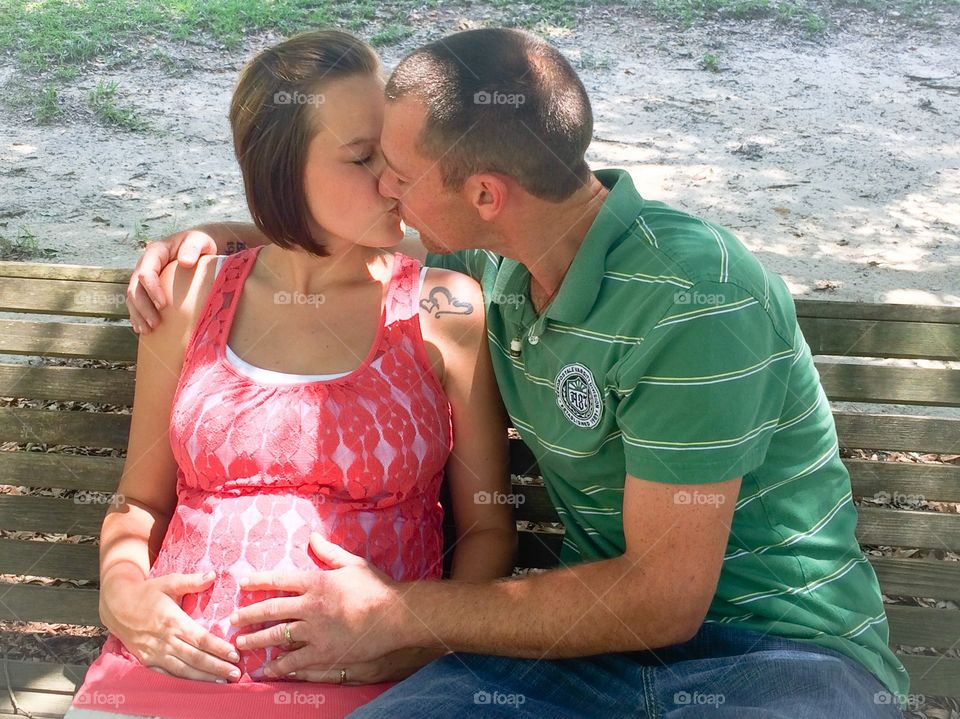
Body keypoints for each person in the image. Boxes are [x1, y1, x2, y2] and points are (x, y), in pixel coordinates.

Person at [128, 27, 908, 719]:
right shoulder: (499, 261)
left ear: (484, 194)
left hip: (775, 651)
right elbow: (335, 240)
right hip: (585, 655)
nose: (386, 189)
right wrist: (213, 235)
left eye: (398, 171)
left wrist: (399, 613)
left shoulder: (696, 299)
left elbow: (665, 599)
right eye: (371, 162)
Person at [66, 29, 517, 719]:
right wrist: (121, 591)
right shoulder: (189, 297)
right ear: (282, 171)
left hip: (374, 685)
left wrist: (423, 640)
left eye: (396, 151)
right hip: (167, 666)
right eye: (363, 157)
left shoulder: (442, 308)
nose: (396, 179)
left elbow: (487, 528)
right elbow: (140, 500)